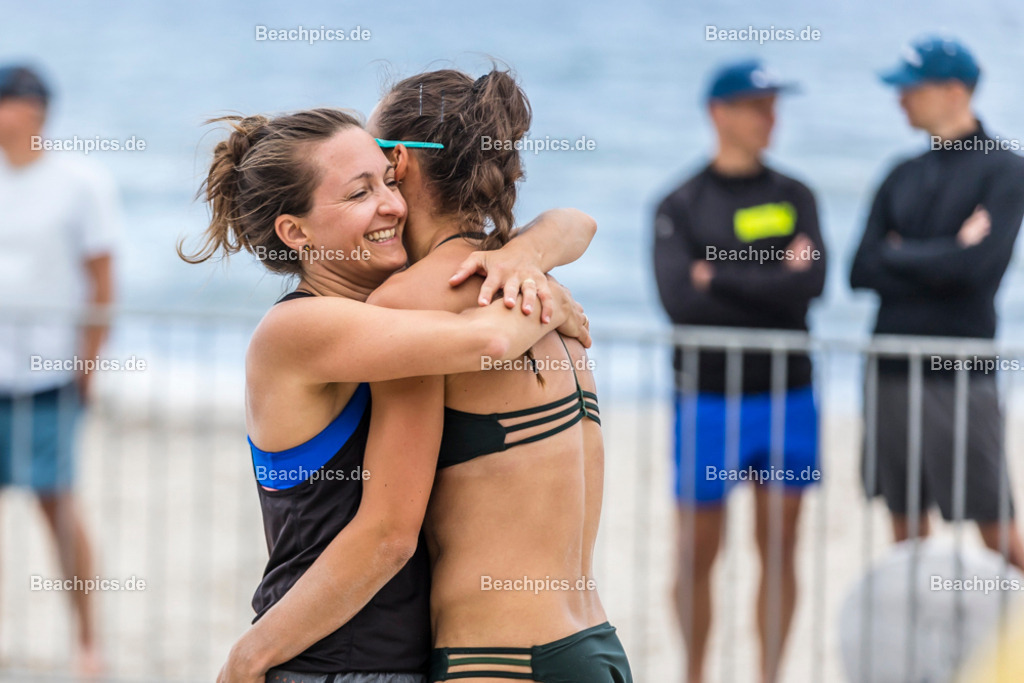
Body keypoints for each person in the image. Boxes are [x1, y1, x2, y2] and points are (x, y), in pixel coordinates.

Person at [216, 68, 632, 683]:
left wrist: (247, 657)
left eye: (385, 179)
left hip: (492, 662)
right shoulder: (516, 289)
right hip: (589, 648)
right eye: (360, 191)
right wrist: (536, 278)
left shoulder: (425, 302)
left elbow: (391, 536)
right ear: (295, 231)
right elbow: (561, 243)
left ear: (403, 163)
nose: (388, 202)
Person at [652, 59, 826, 683]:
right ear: (718, 113)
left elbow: (813, 284)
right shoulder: (679, 203)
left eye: (774, 106)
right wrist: (775, 278)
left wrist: (718, 276)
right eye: (757, 106)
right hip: (707, 400)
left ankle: (769, 676)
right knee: (697, 553)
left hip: (788, 397)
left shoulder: (796, 195)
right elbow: (680, 302)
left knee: (780, 549)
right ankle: (694, 673)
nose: (769, 118)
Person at [850, 35, 1024, 570]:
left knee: (997, 531)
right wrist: (948, 250)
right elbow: (860, 270)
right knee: (906, 535)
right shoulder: (900, 172)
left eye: (912, 88)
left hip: (959, 372)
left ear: (953, 91)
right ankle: (919, 627)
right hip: (890, 368)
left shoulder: (1004, 168)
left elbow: (977, 271)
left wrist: (901, 254)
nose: (900, 99)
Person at [0, 64, 119, 676]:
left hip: (49, 377)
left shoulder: (79, 182)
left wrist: (87, 369)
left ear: (34, 111)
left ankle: (88, 641)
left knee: (58, 506)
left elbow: (103, 282)